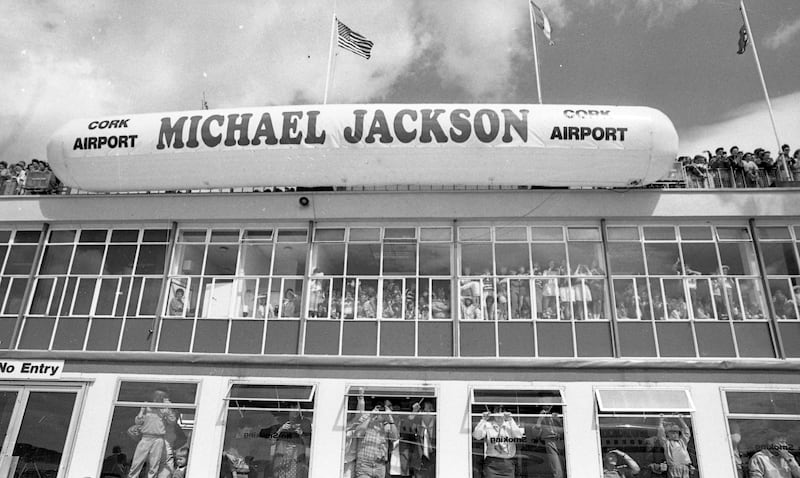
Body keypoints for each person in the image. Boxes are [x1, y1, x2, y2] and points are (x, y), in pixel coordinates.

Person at [128, 389, 176, 478]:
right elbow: (138, 421)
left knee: (154, 464)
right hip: (146, 437)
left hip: (158, 438)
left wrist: (169, 408)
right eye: (157, 395)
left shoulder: (165, 408)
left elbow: (172, 421)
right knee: (137, 462)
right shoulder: (147, 406)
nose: (158, 398)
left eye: (161, 396)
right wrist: (142, 410)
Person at [260, 402, 312, 478]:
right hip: (281, 456)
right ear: (288, 409)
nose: (296, 411)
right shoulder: (280, 420)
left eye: (298, 409)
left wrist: (301, 433)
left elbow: (309, 443)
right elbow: (271, 439)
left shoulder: (305, 423)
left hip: (296, 457)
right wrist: (281, 429)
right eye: (293, 408)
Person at [472, 407, 524, 478]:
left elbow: (519, 436)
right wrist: (483, 420)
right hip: (492, 464)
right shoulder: (488, 425)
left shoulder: (510, 425)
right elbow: (477, 436)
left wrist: (510, 420)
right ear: (493, 414)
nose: (499, 415)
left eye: (502, 412)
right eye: (496, 412)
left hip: (507, 464)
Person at [354, 403, 399, 478]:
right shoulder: (367, 420)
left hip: (380, 465)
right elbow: (358, 433)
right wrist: (371, 416)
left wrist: (391, 419)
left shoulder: (387, 425)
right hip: (364, 464)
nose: (381, 413)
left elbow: (395, 438)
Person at [527, 405, 564, 478]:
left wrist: (559, 420)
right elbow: (535, 435)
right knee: (557, 467)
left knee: (566, 465)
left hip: (562, 441)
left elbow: (567, 428)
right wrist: (539, 420)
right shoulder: (538, 415)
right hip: (549, 441)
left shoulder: (559, 410)